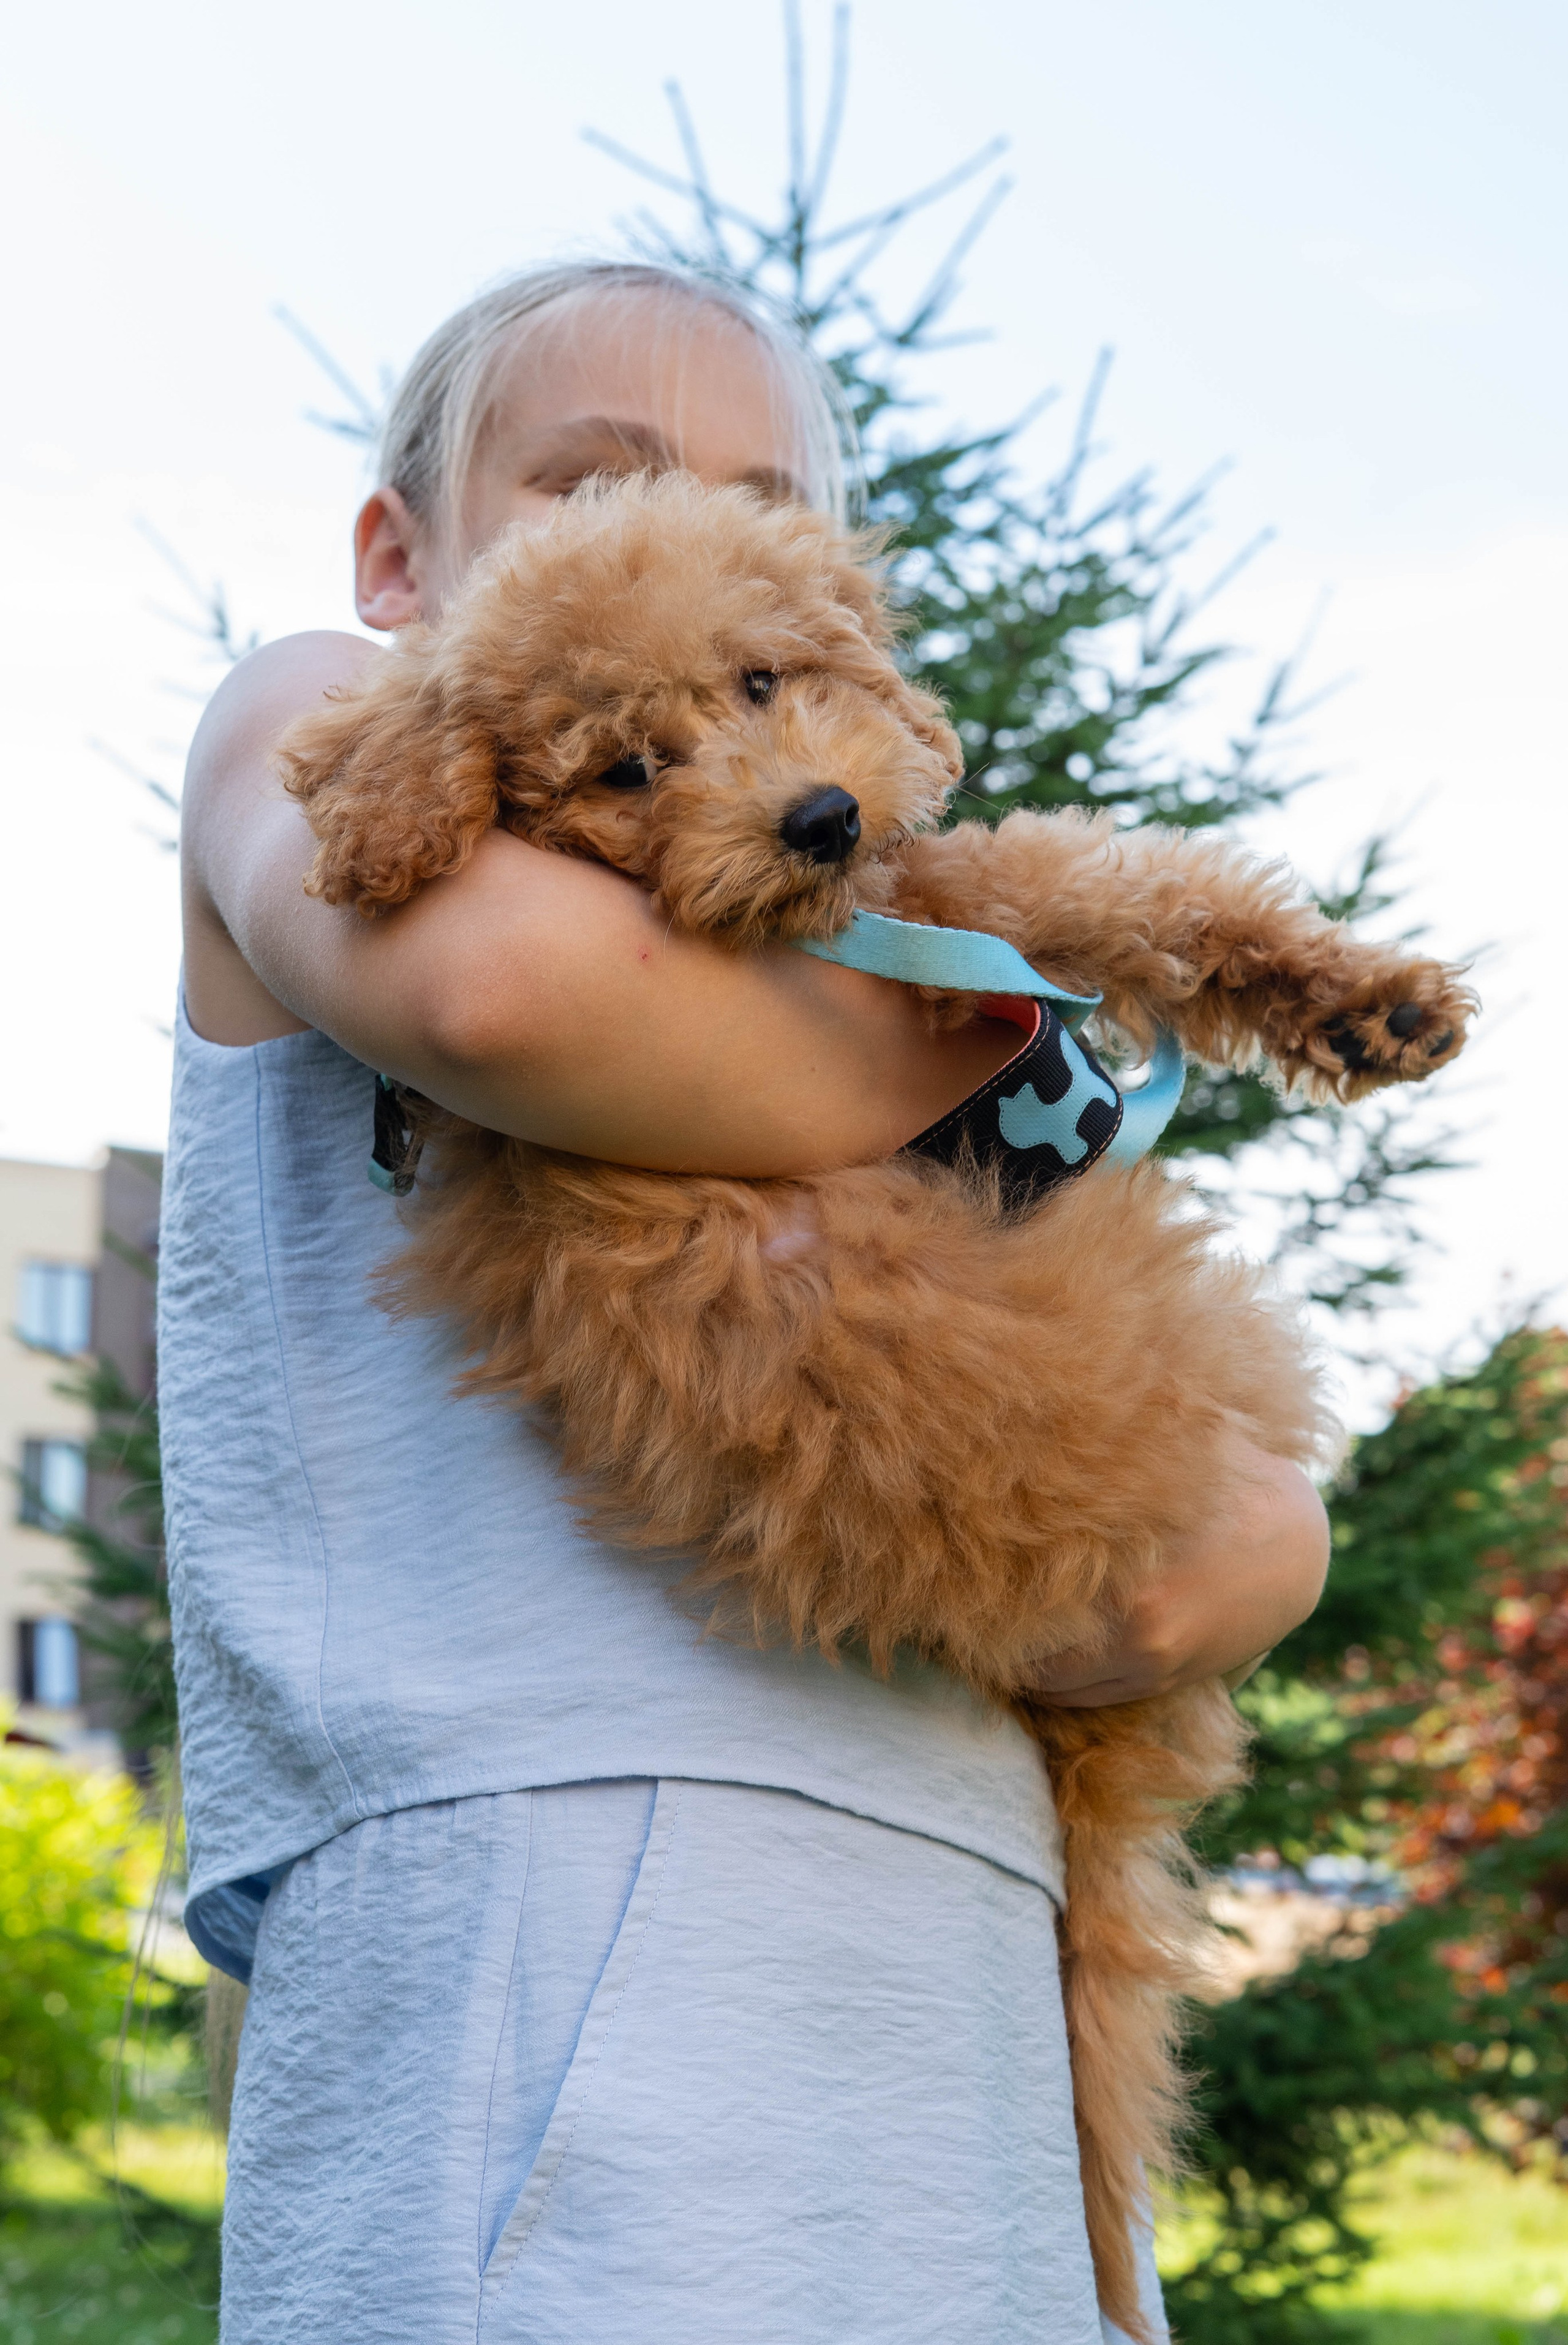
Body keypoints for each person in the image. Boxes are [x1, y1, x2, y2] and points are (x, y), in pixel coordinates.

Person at [168, 261, 1330, 2345]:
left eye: (754, 504)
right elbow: (498, 993)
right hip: (552, 1924)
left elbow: (1106, 1437)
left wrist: (1255, 1541)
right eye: (592, 479)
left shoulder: (840, 889)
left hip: (959, 1918)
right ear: (401, 554)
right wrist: (1003, 1000)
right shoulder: (313, 712)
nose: (674, 538)